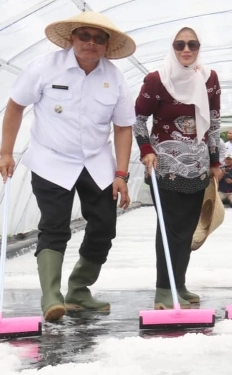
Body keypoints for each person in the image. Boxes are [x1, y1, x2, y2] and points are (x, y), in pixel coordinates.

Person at [0, 12, 136, 321]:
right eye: (84, 36)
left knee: (104, 225)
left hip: (97, 162)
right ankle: (51, 296)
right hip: (51, 159)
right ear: (72, 38)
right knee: (55, 225)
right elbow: (16, 106)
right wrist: (5, 153)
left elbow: (124, 127)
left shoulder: (114, 78)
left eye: (99, 38)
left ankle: (78, 290)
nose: (90, 42)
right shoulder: (45, 68)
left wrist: (122, 174)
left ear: (106, 45)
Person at [134, 26, 222, 309]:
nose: (186, 50)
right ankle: (164, 288)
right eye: (180, 44)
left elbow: (215, 122)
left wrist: (215, 160)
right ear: (171, 48)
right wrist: (146, 149)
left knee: (186, 229)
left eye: (192, 45)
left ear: (199, 48)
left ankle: (179, 284)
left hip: (197, 167)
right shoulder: (156, 80)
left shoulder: (209, 79)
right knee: (170, 227)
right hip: (163, 166)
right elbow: (137, 120)